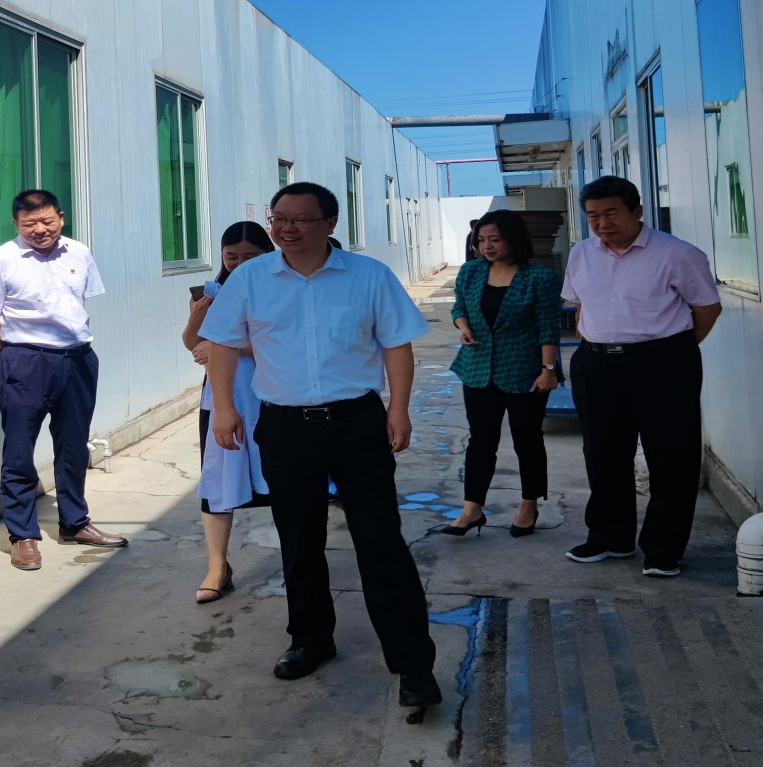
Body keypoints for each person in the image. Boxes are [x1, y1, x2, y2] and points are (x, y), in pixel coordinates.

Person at [200, 181, 441, 707]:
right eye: (279, 219)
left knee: (381, 542)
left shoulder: (369, 275)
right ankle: (310, 640)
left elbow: (396, 345)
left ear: (330, 224)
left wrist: (398, 408)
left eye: (300, 219)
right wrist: (224, 408)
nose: (286, 229)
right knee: (299, 539)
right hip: (285, 427)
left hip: (357, 423)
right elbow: (221, 343)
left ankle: (414, 666)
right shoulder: (251, 278)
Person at [562, 175, 722, 577]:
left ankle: (664, 549)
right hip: (597, 363)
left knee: (671, 455)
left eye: (611, 213)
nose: (602, 223)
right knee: (603, 453)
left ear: (637, 211)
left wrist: (674, 351)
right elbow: (579, 306)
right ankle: (610, 537)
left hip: (663, 364)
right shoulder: (581, 254)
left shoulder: (677, 253)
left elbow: (707, 308)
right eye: (593, 215)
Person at [0, 190, 126, 572]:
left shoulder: (79, 253)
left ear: (60, 217)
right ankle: (23, 535)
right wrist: (15, 354)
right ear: (16, 224)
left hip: (78, 359)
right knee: (19, 450)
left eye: (47, 221)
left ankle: (75, 522)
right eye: (30, 224)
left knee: (74, 445)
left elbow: (76, 305)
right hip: (25, 362)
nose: (40, 230)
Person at [444, 209, 562, 538]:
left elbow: (548, 327)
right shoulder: (470, 272)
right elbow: (459, 306)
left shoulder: (539, 278)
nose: (487, 246)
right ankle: (472, 508)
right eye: (481, 240)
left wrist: (548, 370)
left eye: (494, 239)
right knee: (481, 440)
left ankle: (529, 504)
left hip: (525, 372)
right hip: (478, 369)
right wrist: (463, 326)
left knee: (527, 440)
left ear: (513, 239)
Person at [181, 222, 272, 604]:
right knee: (217, 481)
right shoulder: (209, 292)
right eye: (232, 257)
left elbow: (287, 341)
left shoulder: (281, 288)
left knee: (285, 481)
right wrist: (197, 318)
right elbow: (193, 344)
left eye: (250, 256)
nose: (239, 264)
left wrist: (230, 347)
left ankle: (301, 561)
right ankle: (218, 566)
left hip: (272, 396)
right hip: (223, 399)